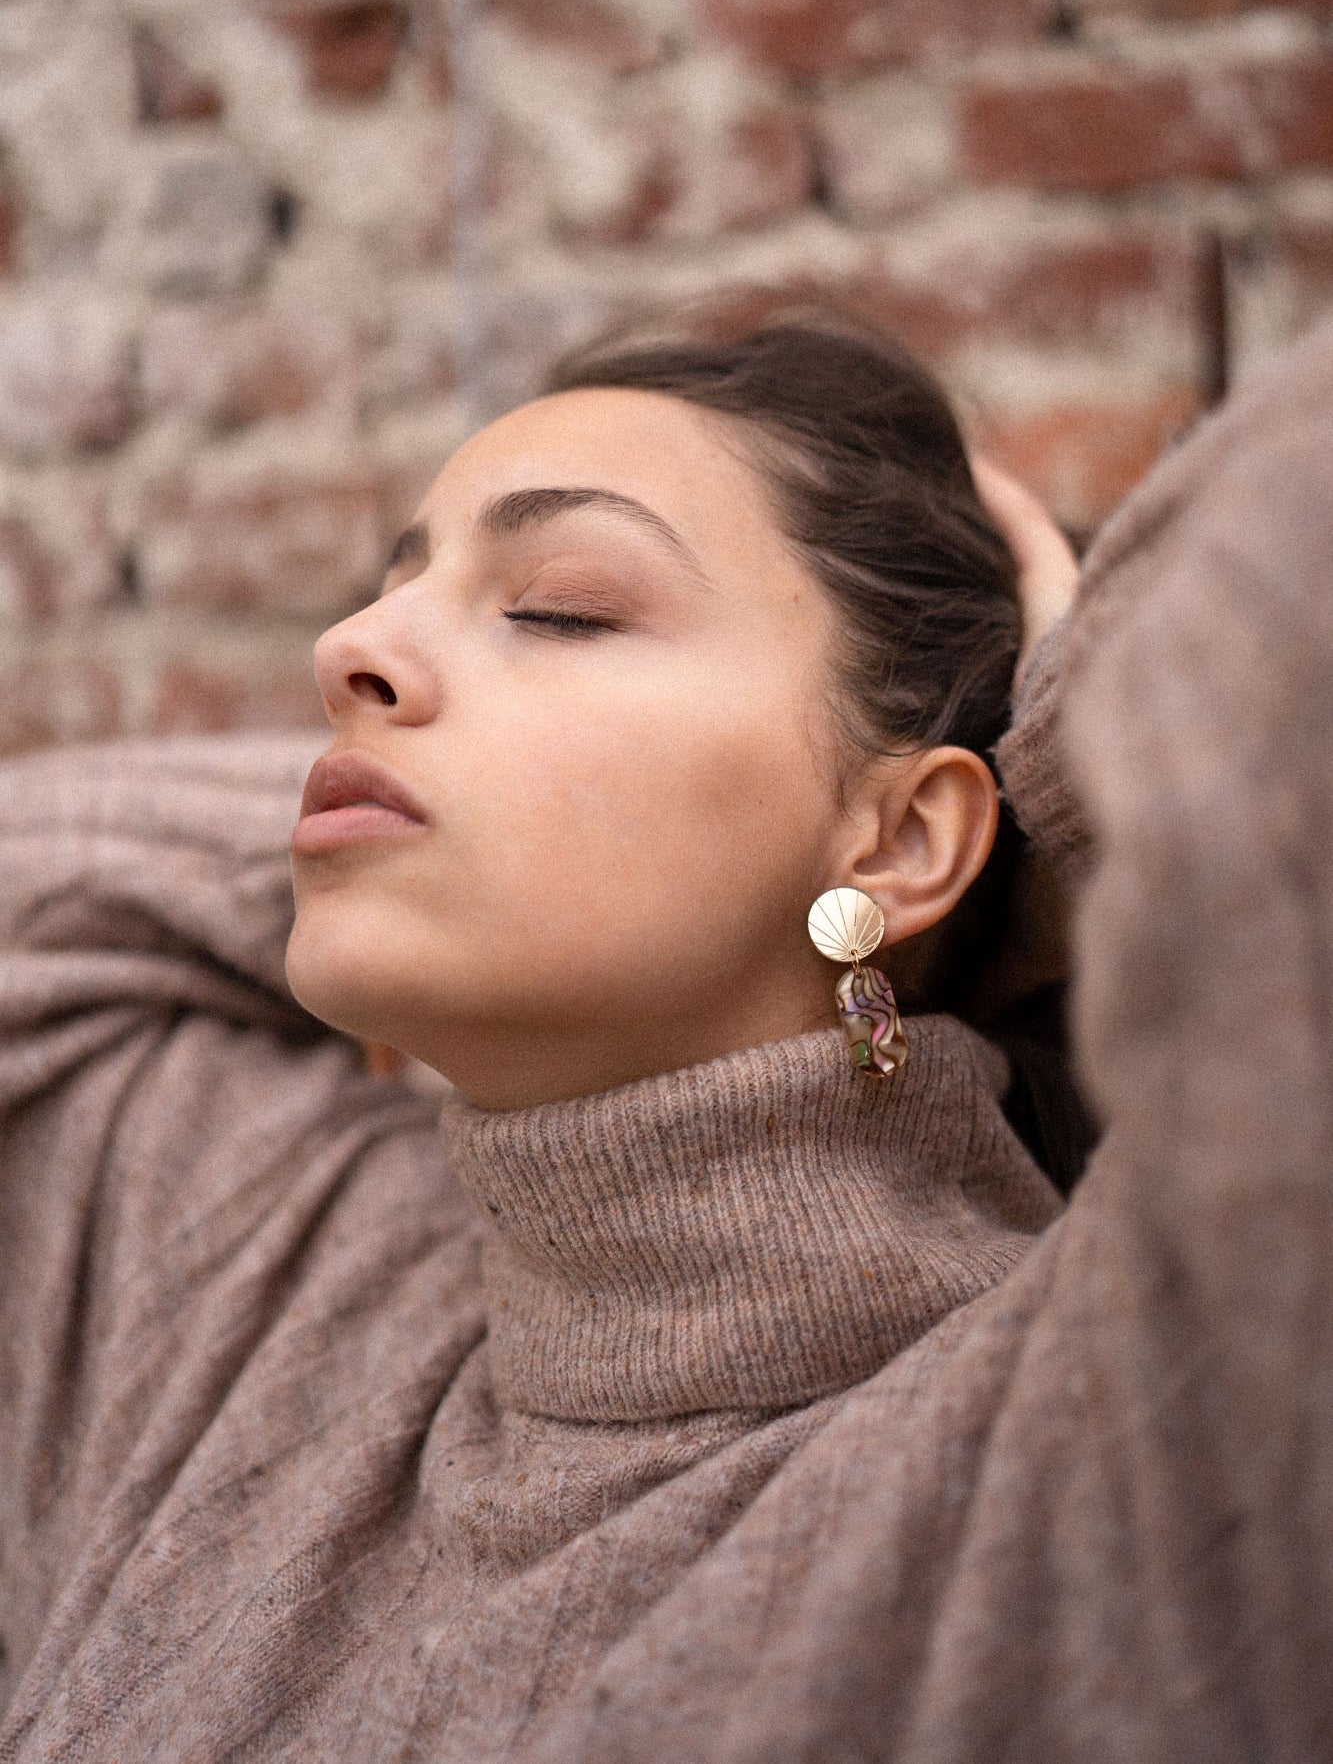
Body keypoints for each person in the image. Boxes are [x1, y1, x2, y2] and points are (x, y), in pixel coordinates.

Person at [0, 309, 1329, 1762]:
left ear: (900, 834)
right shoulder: (261, 1285)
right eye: (392, 587)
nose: (348, 647)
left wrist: (1057, 775)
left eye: (560, 605)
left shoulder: (1094, 1430)